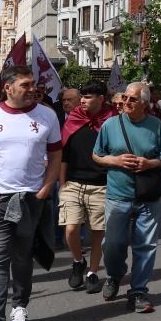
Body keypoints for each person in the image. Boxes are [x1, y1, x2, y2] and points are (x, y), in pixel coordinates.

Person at [0, 66, 61, 321]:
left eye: (33, 84)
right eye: (25, 84)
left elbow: (55, 154)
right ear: (7, 88)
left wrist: (47, 186)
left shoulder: (47, 115)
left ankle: (20, 305)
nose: (32, 89)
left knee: (22, 255)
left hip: (31, 198)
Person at [91, 81, 161, 313]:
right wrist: (114, 160)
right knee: (112, 244)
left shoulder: (156, 126)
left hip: (148, 195)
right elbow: (97, 155)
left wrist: (148, 163)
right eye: (124, 97)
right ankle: (114, 275)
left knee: (145, 245)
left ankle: (138, 291)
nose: (126, 102)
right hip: (118, 195)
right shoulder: (110, 125)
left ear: (145, 103)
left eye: (132, 99)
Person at [58, 82, 113, 293]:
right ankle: (78, 260)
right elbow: (64, 154)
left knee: (97, 233)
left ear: (101, 99)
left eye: (88, 97)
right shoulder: (74, 119)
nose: (82, 101)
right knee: (71, 229)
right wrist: (62, 183)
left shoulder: (111, 121)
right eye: (82, 96)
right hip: (73, 183)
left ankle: (92, 273)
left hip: (101, 185)